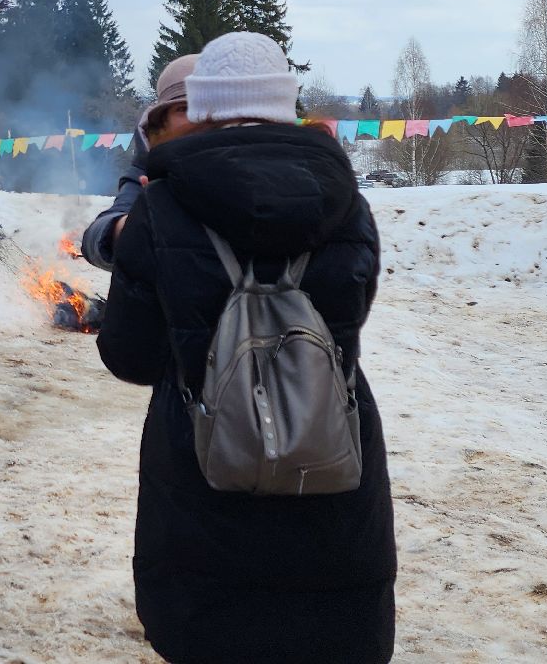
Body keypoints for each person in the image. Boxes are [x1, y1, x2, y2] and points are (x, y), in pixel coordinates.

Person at [96, 33, 397, 663]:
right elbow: (351, 318)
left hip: (205, 484)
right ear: (287, 103)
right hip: (331, 463)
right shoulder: (349, 205)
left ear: (203, 106)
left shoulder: (160, 209)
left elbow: (130, 356)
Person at [80, 54, 200, 271]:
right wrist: (135, 225)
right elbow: (94, 240)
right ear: (162, 118)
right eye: (184, 108)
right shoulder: (149, 162)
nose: (197, 118)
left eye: (206, 107)